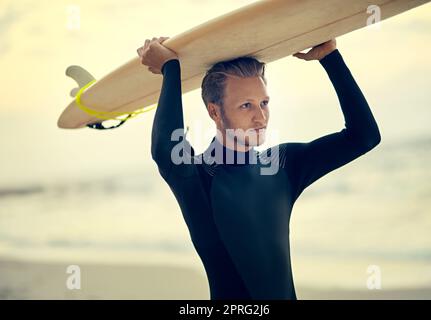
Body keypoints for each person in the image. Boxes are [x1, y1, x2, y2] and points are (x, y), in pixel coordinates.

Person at [136, 36, 381, 300]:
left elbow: (364, 136)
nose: (260, 117)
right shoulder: (196, 176)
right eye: (246, 106)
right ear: (214, 112)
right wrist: (170, 68)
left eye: (264, 103)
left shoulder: (280, 165)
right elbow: (164, 148)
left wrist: (330, 57)